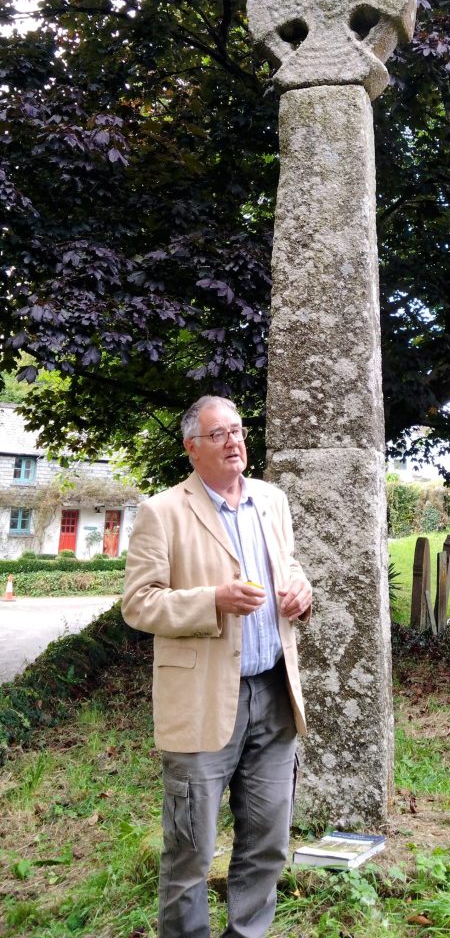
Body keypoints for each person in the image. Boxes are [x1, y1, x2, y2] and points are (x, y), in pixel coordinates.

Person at [121, 395, 312, 938]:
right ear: (192, 448)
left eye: (238, 430)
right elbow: (139, 603)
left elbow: (290, 568)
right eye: (219, 434)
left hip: (274, 693)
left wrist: (302, 592)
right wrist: (212, 601)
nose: (234, 441)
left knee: (268, 840)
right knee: (191, 851)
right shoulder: (164, 511)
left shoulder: (272, 501)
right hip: (202, 701)